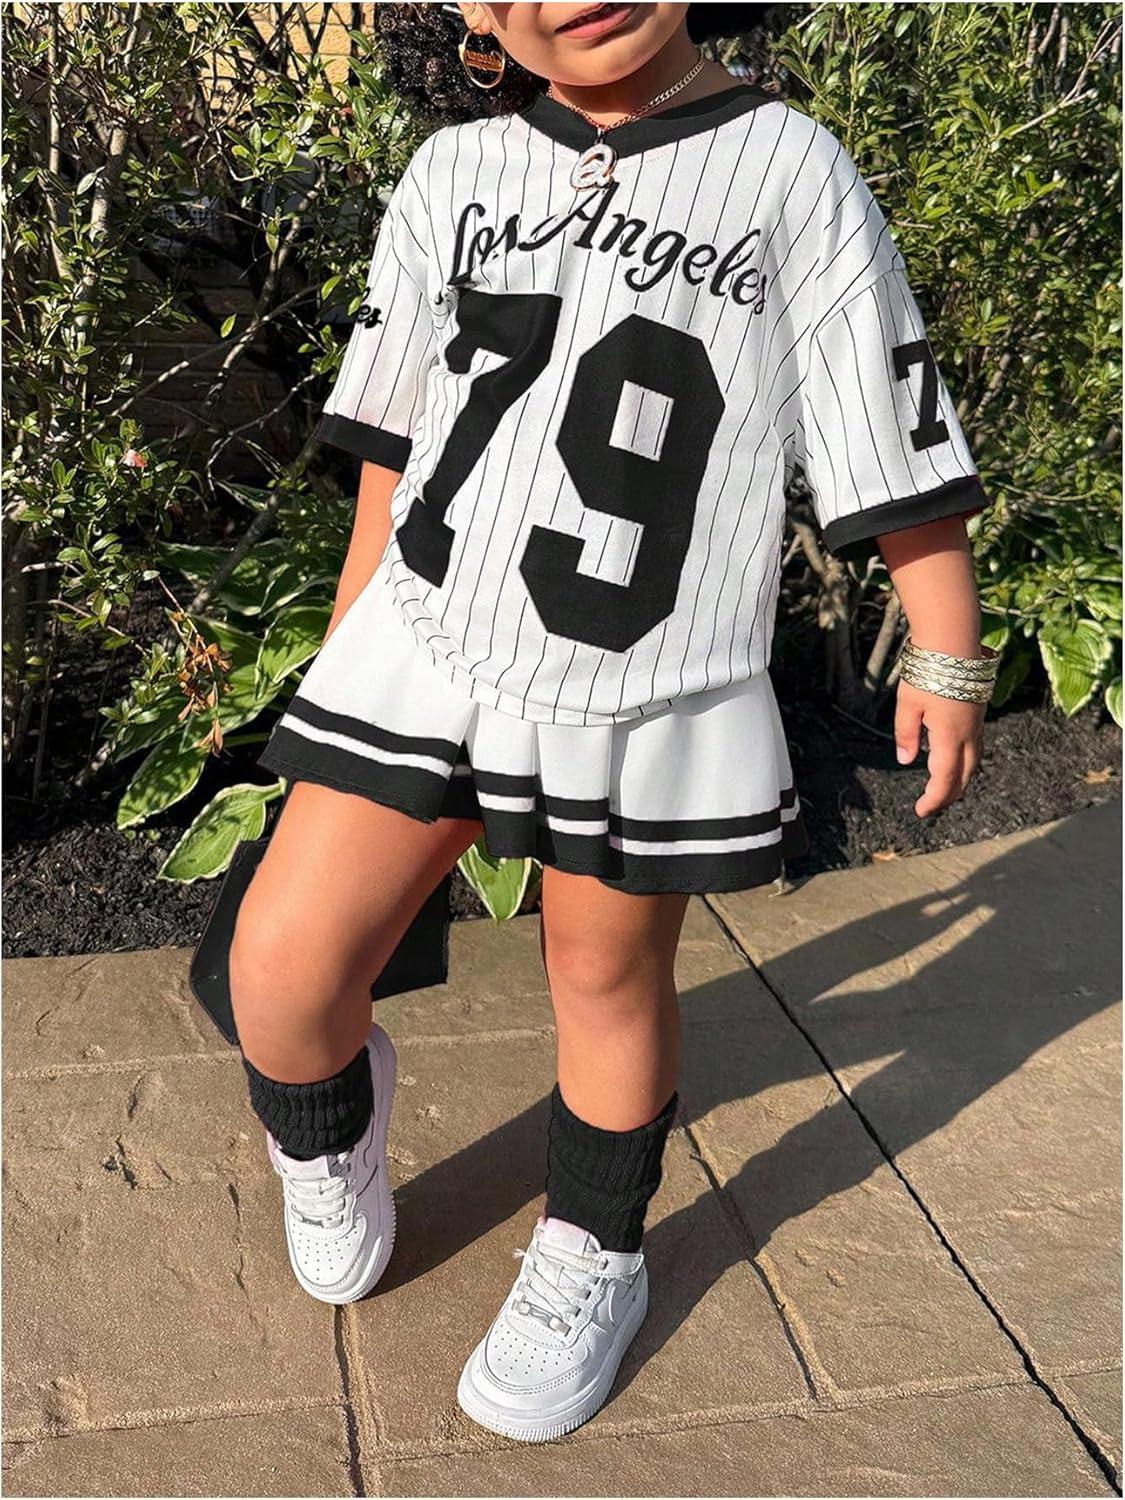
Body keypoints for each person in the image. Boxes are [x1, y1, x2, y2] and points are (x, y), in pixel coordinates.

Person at [229, 0, 997, 1444]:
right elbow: (392, 432)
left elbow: (880, 410)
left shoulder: (787, 165)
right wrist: (347, 642)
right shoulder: (452, 171)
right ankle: (328, 1135)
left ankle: (595, 1246)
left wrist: (944, 645)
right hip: (429, 637)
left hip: (650, 671)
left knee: (604, 976)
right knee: (281, 967)